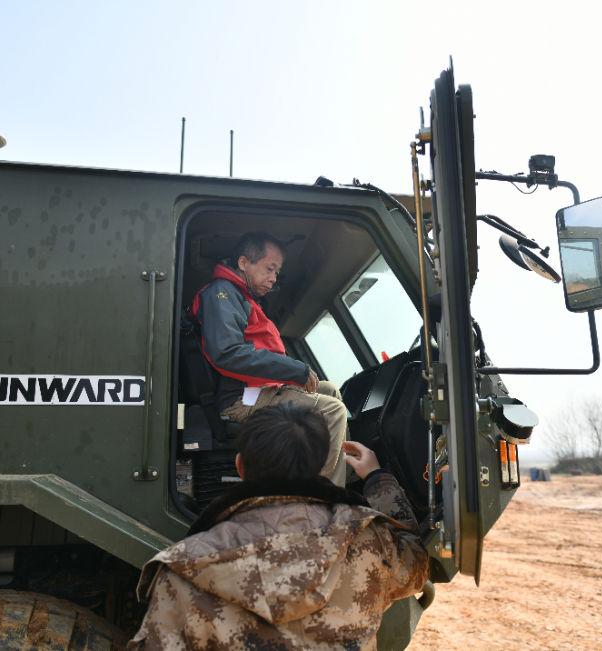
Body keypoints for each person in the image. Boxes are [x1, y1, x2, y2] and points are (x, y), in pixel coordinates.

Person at [128, 403, 430, 651]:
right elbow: (417, 564)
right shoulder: (370, 542)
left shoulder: (183, 569)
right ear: (322, 463)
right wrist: (377, 478)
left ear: (240, 466)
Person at [191, 231, 349, 485]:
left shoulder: (242, 297)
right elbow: (227, 353)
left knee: (328, 390)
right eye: (270, 269)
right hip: (239, 398)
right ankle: (325, 498)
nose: (274, 279)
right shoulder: (222, 294)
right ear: (244, 263)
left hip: (255, 390)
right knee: (333, 411)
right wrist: (294, 370)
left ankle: (345, 479)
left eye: (277, 272)